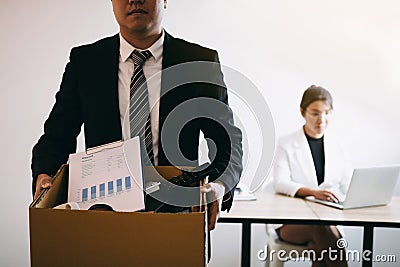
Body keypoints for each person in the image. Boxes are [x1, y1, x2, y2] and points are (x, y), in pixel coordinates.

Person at [31, 0, 243, 232]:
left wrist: (220, 185)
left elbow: (226, 141)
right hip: (102, 216)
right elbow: (57, 137)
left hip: (178, 215)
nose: (135, 0)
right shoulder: (86, 62)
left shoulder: (198, 62)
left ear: (164, 1)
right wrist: (46, 176)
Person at [272, 85, 352, 267]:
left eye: (327, 113)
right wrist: (313, 193)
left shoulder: (339, 146)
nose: (321, 120)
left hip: (330, 220)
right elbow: (280, 183)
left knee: (320, 246)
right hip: (291, 223)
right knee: (321, 229)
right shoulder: (286, 143)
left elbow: (348, 185)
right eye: (315, 113)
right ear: (303, 112)